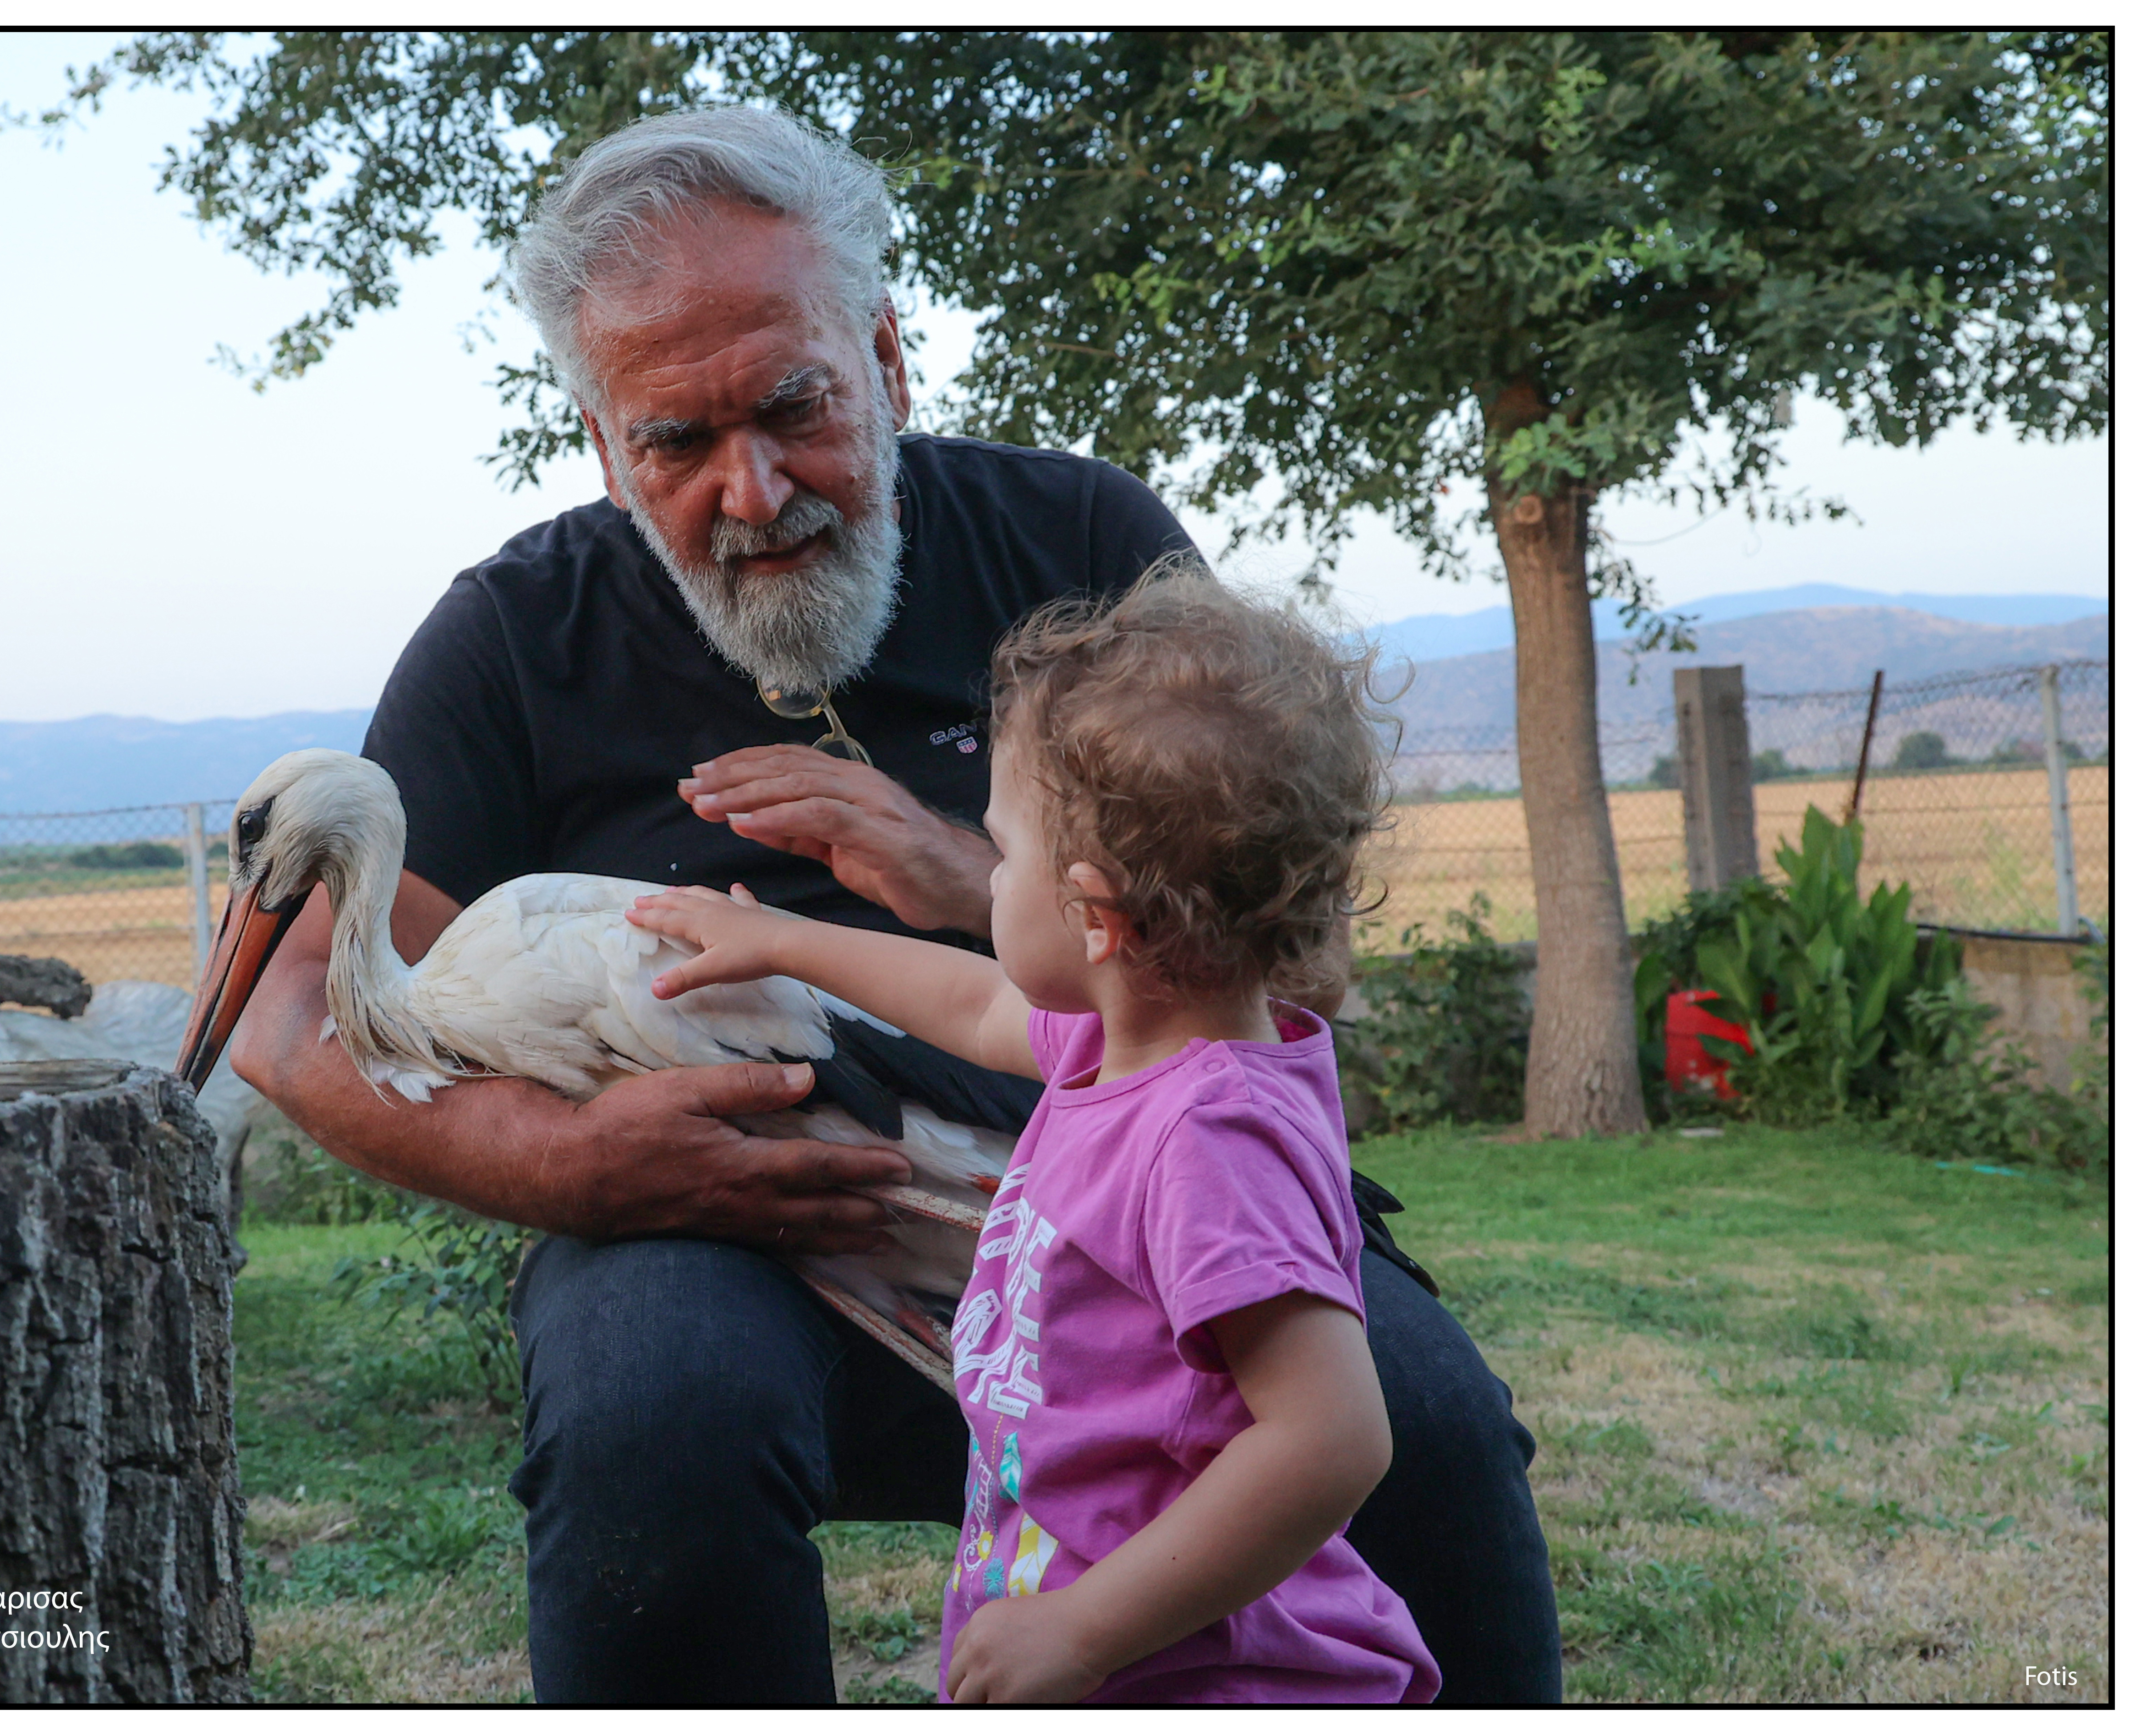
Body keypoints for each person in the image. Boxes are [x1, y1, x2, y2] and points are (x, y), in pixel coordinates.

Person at [227, 104, 1560, 1704]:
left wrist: (958, 871)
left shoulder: (1086, 547)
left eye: (794, 407)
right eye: (675, 442)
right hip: (693, 1223)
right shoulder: (511, 639)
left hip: (1146, 1177)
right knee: (658, 1427)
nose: (754, 491)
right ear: (599, 442)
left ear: (886, 358)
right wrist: (575, 1165)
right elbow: (293, 1018)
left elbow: (1302, 944)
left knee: (1419, 1425)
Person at [626, 566, 1437, 1703]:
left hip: (1206, 1672)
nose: (985, 872)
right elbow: (972, 1004)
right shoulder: (1125, 1041)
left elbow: (1330, 1439)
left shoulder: (1207, 1138)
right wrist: (783, 944)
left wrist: (1088, 1630)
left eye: (1001, 853)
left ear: (1097, 916)